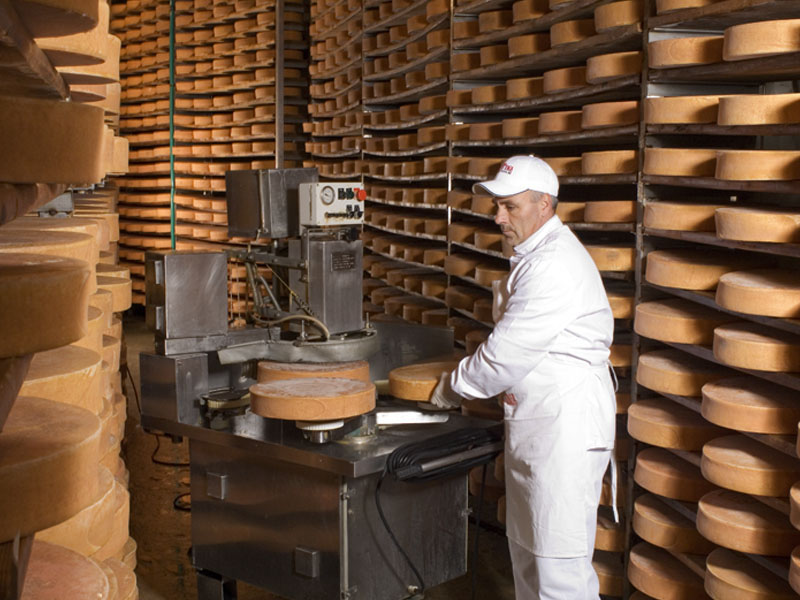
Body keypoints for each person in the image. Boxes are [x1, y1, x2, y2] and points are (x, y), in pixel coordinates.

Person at [430, 155, 617, 600]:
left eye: (510, 207)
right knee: (530, 562)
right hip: (542, 426)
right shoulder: (533, 255)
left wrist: (448, 389)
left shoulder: (554, 264)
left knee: (558, 576)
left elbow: (504, 356)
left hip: (564, 431)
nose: (498, 217)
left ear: (545, 205)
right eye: (497, 206)